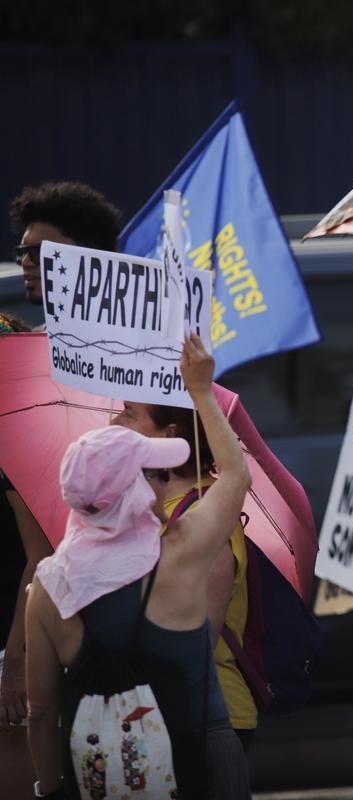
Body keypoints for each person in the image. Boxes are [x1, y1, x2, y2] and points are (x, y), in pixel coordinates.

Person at [25, 333, 252, 799]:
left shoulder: (48, 586)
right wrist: (201, 391)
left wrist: (49, 789)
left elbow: (42, 712)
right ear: (134, 488)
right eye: (149, 474)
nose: (157, 485)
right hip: (201, 761)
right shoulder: (182, 550)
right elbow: (235, 473)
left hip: (94, 776)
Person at [1, 182, 122, 728]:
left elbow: (43, 534)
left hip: (100, 605)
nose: (22, 261)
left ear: (79, 259)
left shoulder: (125, 357)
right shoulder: (34, 352)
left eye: (36, 250)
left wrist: (19, 654)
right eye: (21, 249)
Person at [109, 401, 258, 754]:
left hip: (205, 720)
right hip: (164, 712)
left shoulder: (206, 513)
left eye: (129, 413)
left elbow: (197, 642)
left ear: (169, 436)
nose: (115, 420)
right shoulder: (157, 512)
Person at [10, 181, 121, 305]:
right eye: (22, 252)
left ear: (91, 258)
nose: (25, 262)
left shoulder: (142, 323)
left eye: (41, 251)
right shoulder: (7, 324)